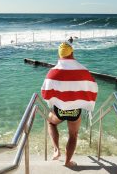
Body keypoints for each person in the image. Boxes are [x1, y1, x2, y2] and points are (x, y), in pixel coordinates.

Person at [41, 39, 98, 167]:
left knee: (50, 122)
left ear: (59, 55)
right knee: (73, 135)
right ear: (72, 53)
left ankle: (56, 150)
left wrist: (53, 101)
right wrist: (85, 103)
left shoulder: (52, 72)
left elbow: (45, 92)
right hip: (75, 111)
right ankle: (68, 162)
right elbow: (93, 87)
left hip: (59, 110)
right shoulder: (83, 71)